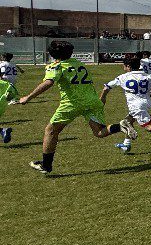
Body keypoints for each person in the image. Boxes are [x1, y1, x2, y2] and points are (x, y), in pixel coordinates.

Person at [17, 40, 125, 174]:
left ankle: (46, 165)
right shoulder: (78, 63)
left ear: (51, 54)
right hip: (92, 101)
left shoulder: (56, 66)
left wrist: (28, 97)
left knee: (51, 130)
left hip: (72, 103)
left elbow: (49, 82)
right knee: (99, 132)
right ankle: (121, 126)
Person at [0, 75, 14, 144]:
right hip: (2, 106)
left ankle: (3, 131)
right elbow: (12, 93)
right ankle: (3, 131)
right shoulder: (5, 84)